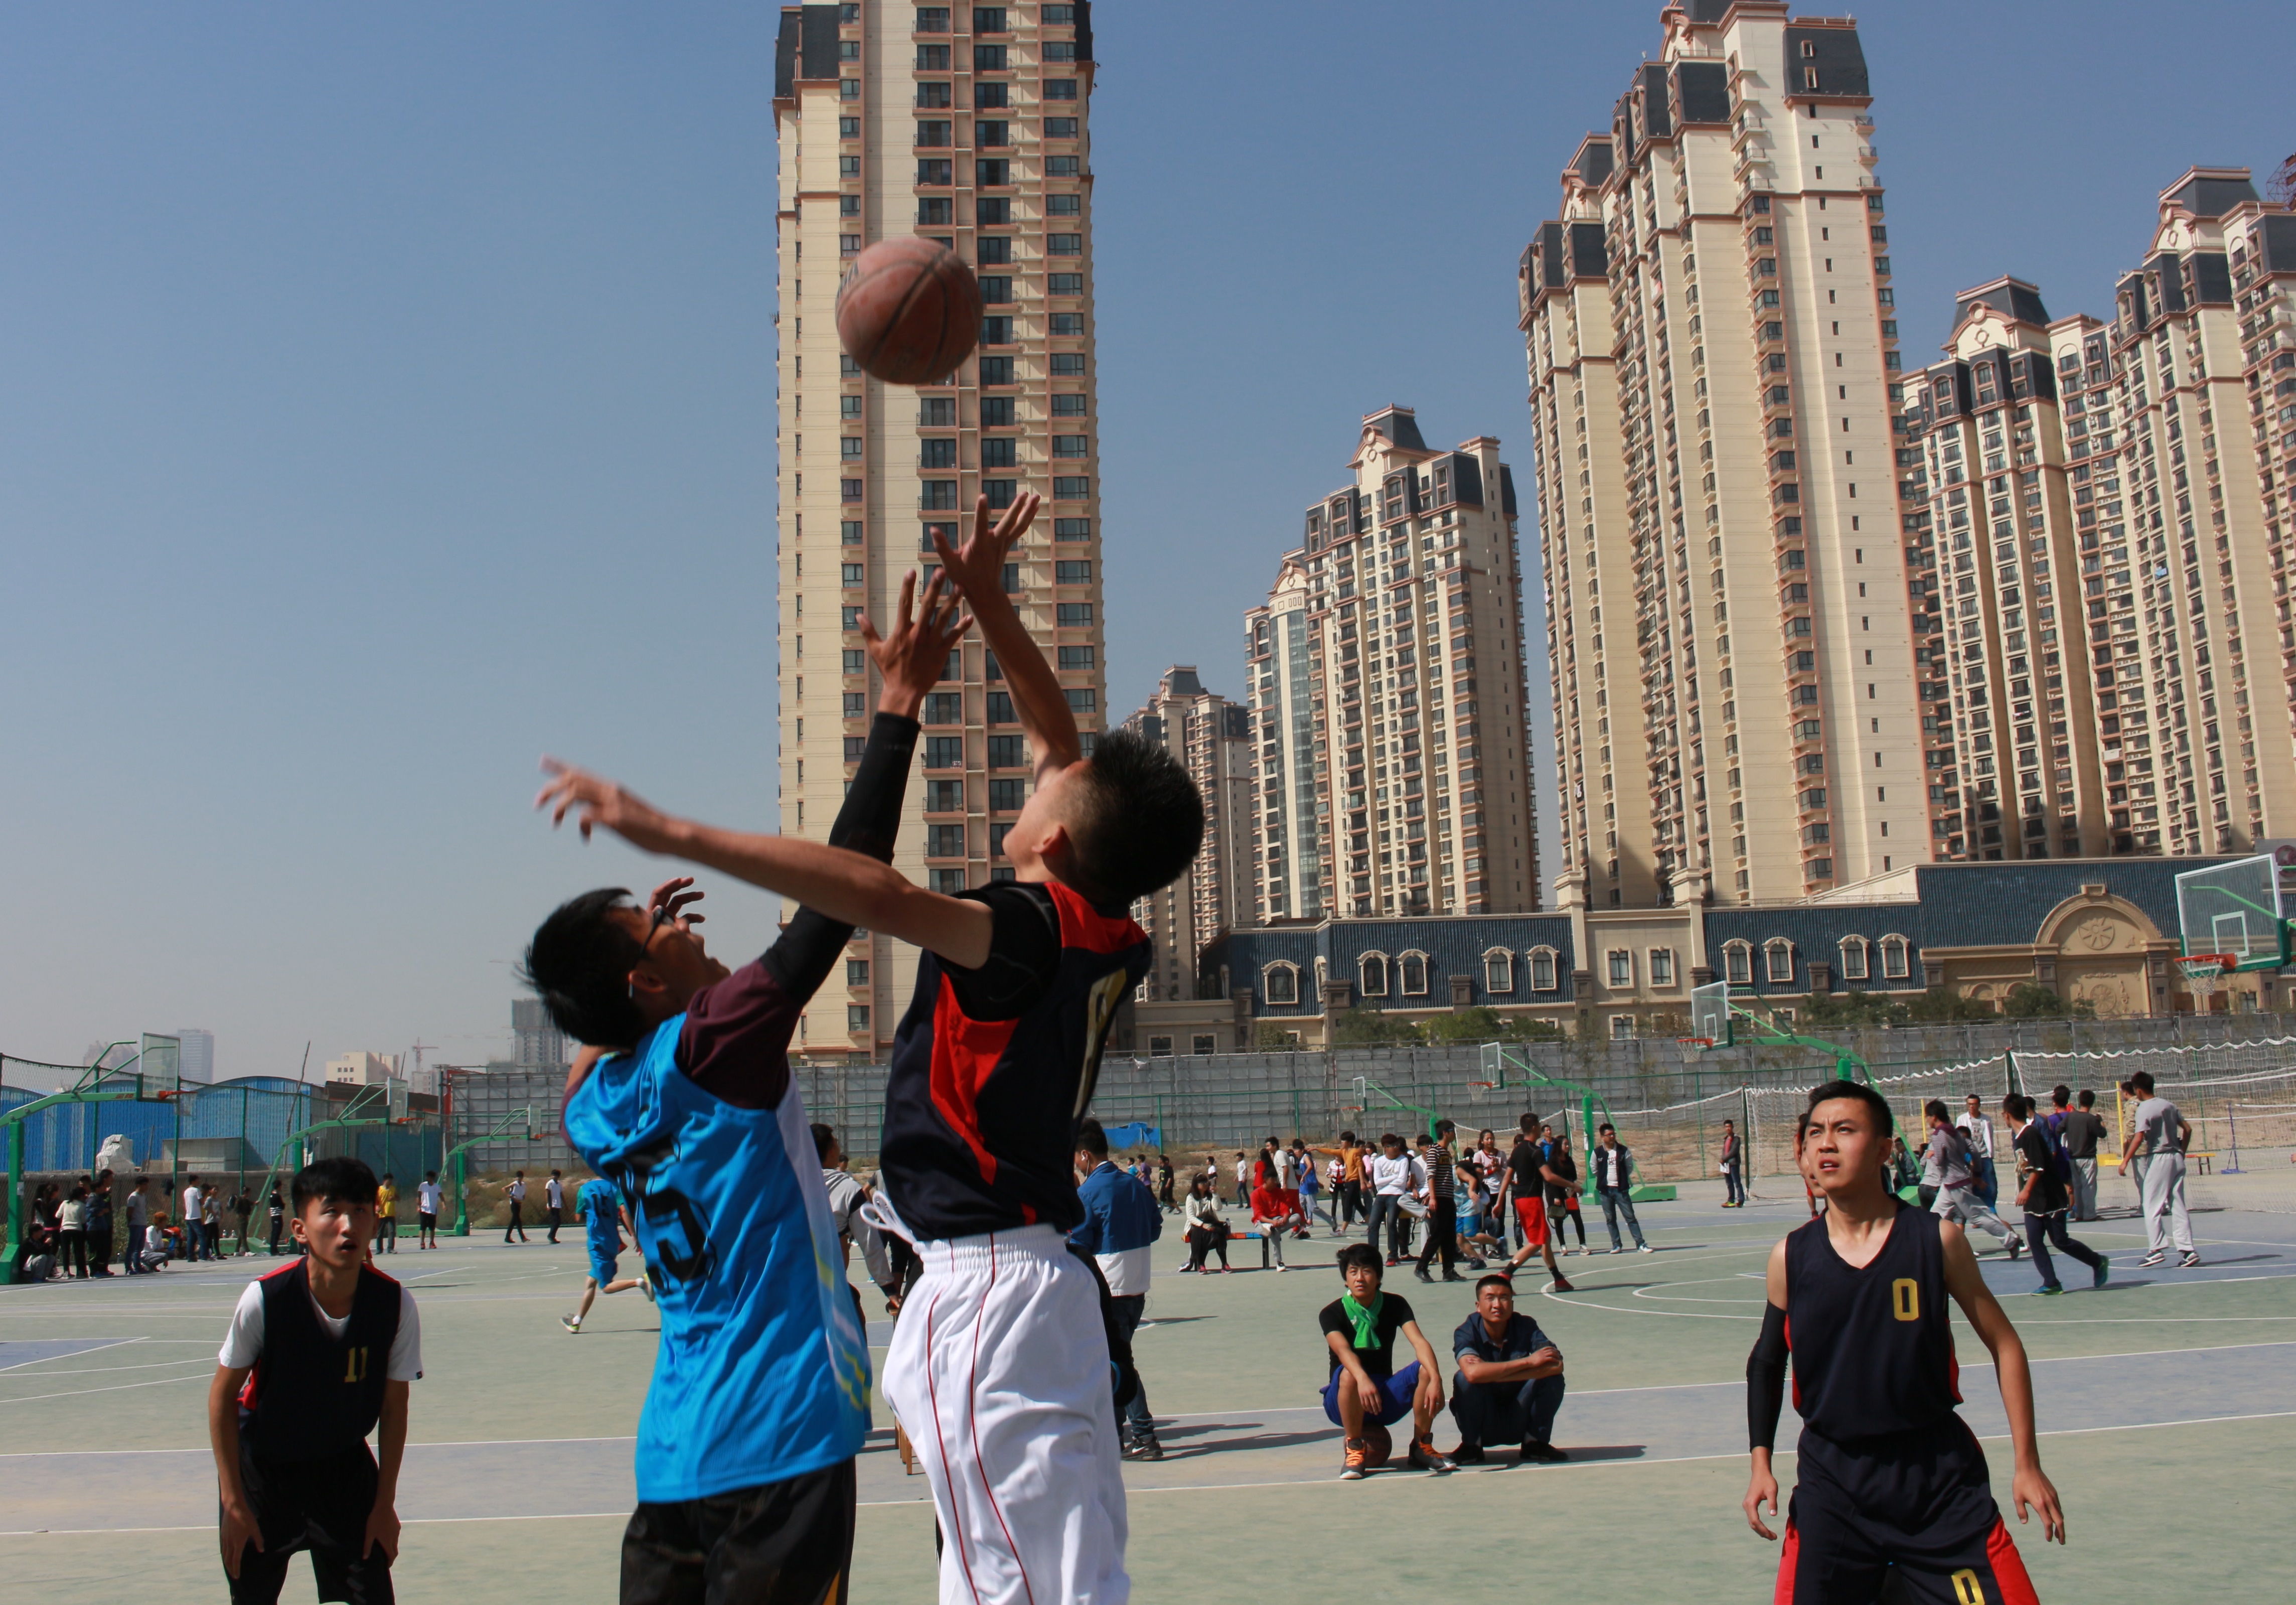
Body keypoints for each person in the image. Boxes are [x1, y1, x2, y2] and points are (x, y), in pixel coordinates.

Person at [537, 498, 1196, 1604]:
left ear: (1055, 836)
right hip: (1002, 1295)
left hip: (901, 1332)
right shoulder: (1100, 935)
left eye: (1047, 782)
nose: (1044, 764)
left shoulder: (594, 1102)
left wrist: (666, 838)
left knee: (1011, 1579)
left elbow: (875, 887)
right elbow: (1014, 783)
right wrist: (975, 616)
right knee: (1057, 1573)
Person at [529, 564, 958, 1602]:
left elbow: (590, 1041)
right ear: (644, 983)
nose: (679, 922)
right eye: (656, 924)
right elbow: (844, 885)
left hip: (675, 1452)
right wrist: (899, 702)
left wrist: (645, 965)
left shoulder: (592, 1109)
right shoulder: (715, 1044)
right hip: (782, 1431)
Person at [1743, 1081, 2061, 1600]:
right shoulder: (1790, 1256)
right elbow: (1765, 1362)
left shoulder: (1936, 1240)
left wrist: (2026, 1462)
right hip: (1834, 1485)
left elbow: (2005, 1345)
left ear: (1884, 1149)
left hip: (1936, 1484)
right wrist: (1760, 1463)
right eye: (1815, 1133)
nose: (1826, 1143)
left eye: (1844, 1130)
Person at [210, 1156, 421, 1605]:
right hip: (265, 1470)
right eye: (332, 1211)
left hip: (344, 1468)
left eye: (360, 1210)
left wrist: (384, 1504)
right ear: (299, 1229)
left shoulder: (394, 1304)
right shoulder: (266, 1299)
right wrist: (233, 1502)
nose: (348, 1225)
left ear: (374, 1221)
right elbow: (222, 1398)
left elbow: (393, 1408)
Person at [1072, 1116, 1165, 1461]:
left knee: (1118, 1362)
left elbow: (1079, 1245)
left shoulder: (1088, 1192)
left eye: (1075, 1157)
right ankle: (1114, 1433)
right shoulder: (1134, 1184)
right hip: (1137, 1285)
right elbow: (1155, 1227)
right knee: (1113, 1359)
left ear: (1085, 1155)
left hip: (1108, 1288)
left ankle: (1144, 1434)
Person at [1319, 1242, 1453, 1479]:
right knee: (1349, 1373)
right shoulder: (1331, 1313)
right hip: (1343, 1398)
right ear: (1346, 1279)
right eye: (1353, 1272)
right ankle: (1354, 1449)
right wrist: (1363, 1379)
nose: (1360, 1278)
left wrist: (1436, 1378)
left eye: (1367, 1271)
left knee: (1426, 1370)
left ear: (1378, 1277)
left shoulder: (1396, 1304)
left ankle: (1421, 1446)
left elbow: (1419, 1342)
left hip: (1381, 1399)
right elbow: (1343, 1351)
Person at [1449, 1273, 1568, 1465]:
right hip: (1485, 1422)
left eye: (1504, 1298)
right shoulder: (1466, 1331)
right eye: (1490, 1298)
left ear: (1512, 1304)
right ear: (1478, 1306)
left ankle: (1534, 1443)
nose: (1497, 1305)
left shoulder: (1526, 1326)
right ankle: (1472, 1446)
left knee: (1553, 1378)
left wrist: (1489, 1374)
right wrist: (1529, 1363)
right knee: (1462, 1379)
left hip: (1520, 1415)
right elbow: (1471, 1374)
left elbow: (1556, 1365)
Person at [2004, 1094, 2108, 1296]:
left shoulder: (2031, 1134)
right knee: (2035, 1240)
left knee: (2060, 1240)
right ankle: (2051, 1282)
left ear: (2006, 1115)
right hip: (2035, 1200)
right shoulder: (2018, 1137)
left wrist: (2026, 1190)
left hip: (2050, 1197)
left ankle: (2097, 1261)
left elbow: (2039, 1167)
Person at [2116, 1070, 2197, 1268]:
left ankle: (2156, 1249)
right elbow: (2188, 1129)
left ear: (2138, 1090)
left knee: (2151, 1203)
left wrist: (2125, 1160)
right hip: (2176, 1157)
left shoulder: (2144, 1108)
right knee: (2178, 1204)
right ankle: (2188, 1250)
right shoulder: (2169, 1105)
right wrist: (2182, 1151)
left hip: (2159, 1157)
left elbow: (2138, 1137)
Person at [1923, 1100, 2022, 1257]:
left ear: (1934, 1117)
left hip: (1955, 1183)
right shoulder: (1955, 1132)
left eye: (1927, 1116)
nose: (1927, 1120)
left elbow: (1940, 1160)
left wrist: (1931, 1156)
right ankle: (1924, 1247)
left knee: (1978, 1216)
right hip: (1952, 1182)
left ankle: (2011, 1240)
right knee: (1935, 1214)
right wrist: (1977, 1173)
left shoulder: (1939, 1135)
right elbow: (1975, 1150)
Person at [561, 1175, 651, 1334]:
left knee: (607, 1287)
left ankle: (640, 1282)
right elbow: (624, 1211)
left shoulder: (584, 1189)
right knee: (591, 1282)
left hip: (597, 1243)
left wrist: (589, 1214)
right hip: (613, 1241)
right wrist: (634, 1235)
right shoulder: (614, 1187)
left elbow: (578, 1217)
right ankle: (576, 1321)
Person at [1501, 1115, 1576, 1292]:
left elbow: (1507, 1177)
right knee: (1536, 1242)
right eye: (1539, 1124)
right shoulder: (1536, 1151)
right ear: (1535, 1127)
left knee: (1545, 1240)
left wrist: (1499, 1202)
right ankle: (1505, 1275)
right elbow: (1549, 1176)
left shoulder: (1517, 1151)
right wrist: (1573, 1185)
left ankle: (1559, 1279)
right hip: (1532, 1201)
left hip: (1520, 1200)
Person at [1414, 1122, 1466, 1283]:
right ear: (1445, 1132)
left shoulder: (1446, 1153)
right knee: (1437, 1234)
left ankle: (1448, 1270)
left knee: (1449, 1236)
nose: (1454, 1134)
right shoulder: (1434, 1151)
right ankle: (1421, 1267)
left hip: (1448, 1198)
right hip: (1440, 1199)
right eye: (1452, 1131)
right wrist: (1433, 1197)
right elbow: (1431, 1174)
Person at [1591, 1124, 1654, 1254]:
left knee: (1630, 1217)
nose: (1612, 1137)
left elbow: (1629, 1166)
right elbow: (1594, 1169)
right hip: (1605, 1191)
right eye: (1609, 1135)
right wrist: (1603, 1180)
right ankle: (1616, 1245)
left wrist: (1622, 1179)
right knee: (1610, 1219)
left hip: (1621, 1190)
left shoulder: (1623, 1150)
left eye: (1613, 1134)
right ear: (1602, 1137)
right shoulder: (1597, 1153)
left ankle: (1640, 1244)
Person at [1364, 1133, 1416, 1267]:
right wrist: (1394, 1177)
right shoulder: (1379, 1161)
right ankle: (1373, 1256)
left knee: (1391, 1223)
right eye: (1393, 1146)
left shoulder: (1403, 1160)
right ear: (1386, 1148)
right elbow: (1377, 1182)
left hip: (1396, 1194)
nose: (1397, 1148)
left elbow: (1402, 1181)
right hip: (1381, 1195)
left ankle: (1393, 1255)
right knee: (1373, 1224)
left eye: (1397, 1145)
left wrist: (1387, 1181)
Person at [1542, 1123, 1589, 1254]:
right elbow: (1551, 1181)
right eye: (1565, 1144)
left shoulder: (1569, 1160)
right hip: (1557, 1195)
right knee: (1559, 1220)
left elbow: (1574, 1176)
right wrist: (1556, 1197)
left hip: (1570, 1195)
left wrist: (1572, 1189)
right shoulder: (1552, 1161)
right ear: (1559, 1146)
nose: (1568, 1147)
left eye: (1568, 1145)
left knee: (1577, 1219)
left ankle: (1583, 1245)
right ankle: (1563, 1246)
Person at [2062, 1089, 2107, 1222]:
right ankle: (2089, 1214)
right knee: (2089, 1186)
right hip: (2088, 1157)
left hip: (2073, 1156)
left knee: (2077, 1186)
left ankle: (2080, 1213)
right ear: (2092, 1103)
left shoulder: (2070, 1117)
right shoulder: (2092, 1119)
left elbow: (2059, 1129)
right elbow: (2103, 1134)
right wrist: (2101, 1123)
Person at [1251, 1169, 1308, 1270]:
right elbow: (1259, 1215)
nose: (1275, 1183)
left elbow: (1285, 1208)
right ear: (1265, 1180)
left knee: (1297, 1217)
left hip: (1278, 1220)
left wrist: (1285, 1218)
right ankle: (1279, 1262)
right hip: (1262, 1223)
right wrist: (1272, 1223)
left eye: (1276, 1180)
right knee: (1274, 1230)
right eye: (1273, 1180)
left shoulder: (1279, 1192)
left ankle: (1273, 1230)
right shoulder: (1256, 1194)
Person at [1317, 1131, 1369, 1232]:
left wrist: (1363, 1183)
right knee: (1358, 1205)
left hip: (1355, 1181)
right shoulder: (1344, 1152)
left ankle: (1343, 1230)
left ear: (1349, 1142)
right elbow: (1331, 1151)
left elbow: (1360, 1167)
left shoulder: (1355, 1152)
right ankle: (1372, 1227)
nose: (1342, 1143)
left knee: (1347, 1204)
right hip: (1349, 1182)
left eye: (1343, 1141)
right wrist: (1318, 1149)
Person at [1956, 1092, 2000, 1210]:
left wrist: (1990, 1154)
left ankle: (1991, 1208)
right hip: (1970, 1157)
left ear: (1979, 1105)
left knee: (1991, 1186)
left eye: (1974, 1104)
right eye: (1969, 1104)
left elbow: (1989, 1137)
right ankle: (1977, 1210)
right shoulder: (1962, 1119)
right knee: (1973, 1185)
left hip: (1984, 1156)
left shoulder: (1986, 1120)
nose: (1972, 1107)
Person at [1182, 1174, 1232, 1272]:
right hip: (1196, 1225)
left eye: (1206, 1182)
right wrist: (1203, 1225)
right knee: (1202, 1234)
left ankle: (1224, 1263)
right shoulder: (1191, 1197)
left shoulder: (1210, 1196)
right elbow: (1191, 1217)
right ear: (1196, 1184)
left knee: (1220, 1232)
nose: (1205, 1184)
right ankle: (1201, 1264)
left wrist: (1215, 1194)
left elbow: (1218, 1208)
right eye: (1202, 1182)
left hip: (1211, 1222)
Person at [57, 1182, 89, 1279]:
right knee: (79, 1251)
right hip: (77, 1230)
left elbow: (57, 1215)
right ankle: (80, 1271)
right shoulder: (82, 1206)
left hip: (65, 1229)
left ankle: (66, 1271)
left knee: (65, 1251)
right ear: (80, 1196)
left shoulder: (65, 1203)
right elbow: (83, 1220)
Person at [124, 1175, 153, 1275]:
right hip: (135, 1224)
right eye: (145, 1185)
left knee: (140, 1247)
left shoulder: (143, 1196)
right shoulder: (134, 1197)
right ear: (138, 1185)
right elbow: (130, 1211)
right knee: (132, 1247)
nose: (147, 1187)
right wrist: (130, 1222)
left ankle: (138, 1266)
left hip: (142, 1224)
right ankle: (128, 1267)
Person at [1292, 1138, 1320, 1232]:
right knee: (1299, 1205)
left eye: (1297, 1150)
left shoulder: (1306, 1157)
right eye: (1294, 1150)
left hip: (1309, 1185)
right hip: (1303, 1186)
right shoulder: (1301, 1159)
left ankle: (1330, 1220)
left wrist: (1304, 1176)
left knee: (1313, 1208)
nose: (1295, 1152)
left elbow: (1310, 1166)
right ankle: (1301, 1224)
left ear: (1301, 1150)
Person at [1720, 1117, 1747, 1208]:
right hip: (1726, 1165)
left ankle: (1741, 1200)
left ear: (1732, 1127)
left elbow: (1733, 1151)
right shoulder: (1726, 1139)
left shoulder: (1736, 1139)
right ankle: (1731, 1200)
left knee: (1737, 1182)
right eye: (1726, 1127)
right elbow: (1724, 1151)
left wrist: (1724, 1159)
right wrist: (1722, 1160)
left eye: (1729, 1127)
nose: (1728, 1129)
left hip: (1734, 1163)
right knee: (1729, 1183)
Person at [182, 1176, 207, 1262]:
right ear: (193, 1182)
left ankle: (190, 1256)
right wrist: (204, 1195)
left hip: (188, 1216)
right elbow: (202, 1202)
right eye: (197, 1181)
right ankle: (204, 1256)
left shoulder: (186, 1191)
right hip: (195, 1216)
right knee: (202, 1236)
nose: (199, 1182)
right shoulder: (196, 1190)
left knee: (191, 1237)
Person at [414, 1173, 441, 1250]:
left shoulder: (437, 1187)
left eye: (429, 1177)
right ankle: (422, 1242)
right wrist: (419, 1206)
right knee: (423, 1227)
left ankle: (432, 1242)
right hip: (424, 1209)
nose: (427, 1178)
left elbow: (441, 1196)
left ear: (432, 1178)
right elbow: (419, 1196)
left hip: (433, 1210)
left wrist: (444, 1205)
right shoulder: (423, 1185)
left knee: (432, 1228)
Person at [375, 1174, 398, 1255]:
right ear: (385, 1181)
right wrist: (377, 1208)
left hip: (391, 1214)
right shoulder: (379, 1190)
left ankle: (390, 1248)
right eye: (390, 1180)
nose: (391, 1182)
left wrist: (394, 1198)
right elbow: (376, 1201)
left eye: (392, 1181)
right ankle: (379, 1249)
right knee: (380, 1233)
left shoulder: (393, 1189)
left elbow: (398, 1198)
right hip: (382, 1214)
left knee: (391, 1232)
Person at [503, 1172, 529, 1245]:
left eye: (521, 1177)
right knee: (518, 1221)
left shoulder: (523, 1184)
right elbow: (504, 1189)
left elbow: (523, 1193)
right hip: (514, 1203)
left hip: (519, 1203)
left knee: (513, 1221)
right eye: (518, 1177)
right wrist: (509, 1196)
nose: (520, 1178)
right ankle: (523, 1237)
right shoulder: (514, 1184)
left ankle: (507, 1237)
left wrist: (523, 1197)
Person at [544, 1170, 566, 1244]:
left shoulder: (559, 1184)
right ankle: (551, 1236)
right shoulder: (550, 1183)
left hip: (558, 1204)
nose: (554, 1177)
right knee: (557, 1221)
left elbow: (561, 1194)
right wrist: (549, 1205)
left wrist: (565, 1205)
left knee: (557, 1221)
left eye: (556, 1175)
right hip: (552, 1205)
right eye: (553, 1175)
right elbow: (547, 1194)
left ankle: (552, 1236)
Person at [266, 1188, 287, 1256]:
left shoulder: (271, 1196)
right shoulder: (277, 1196)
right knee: (277, 1232)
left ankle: (273, 1249)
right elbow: (282, 1206)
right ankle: (274, 1250)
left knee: (274, 1232)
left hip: (273, 1216)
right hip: (277, 1215)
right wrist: (283, 1205)